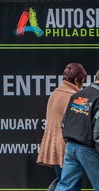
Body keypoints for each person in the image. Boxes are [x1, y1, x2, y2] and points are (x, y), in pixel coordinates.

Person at [55, 66, 99, 191]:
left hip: (71, 147)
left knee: (65, 186)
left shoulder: (78, 95)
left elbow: (64, 123)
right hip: (88, 149)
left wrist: (70, 142)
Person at [36, 62, 88, 190]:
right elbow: (79, 125)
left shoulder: (55, 93)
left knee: (63, 181)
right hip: (67, 148)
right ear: (76, 80)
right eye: (82, 81)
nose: (82, 86)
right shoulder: (74, 97)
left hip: (54, 147)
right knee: (72, 185)